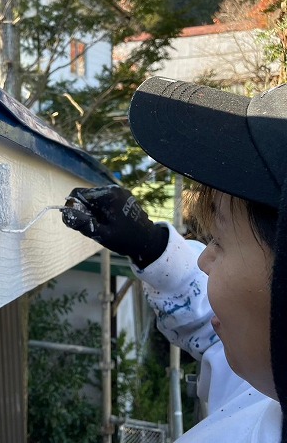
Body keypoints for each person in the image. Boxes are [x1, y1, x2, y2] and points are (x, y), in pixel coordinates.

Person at [61, 77, 287, 442]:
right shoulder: (265, 374)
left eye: (219, 240)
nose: (202, 261)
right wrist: (150, 246)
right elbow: (221, 331)